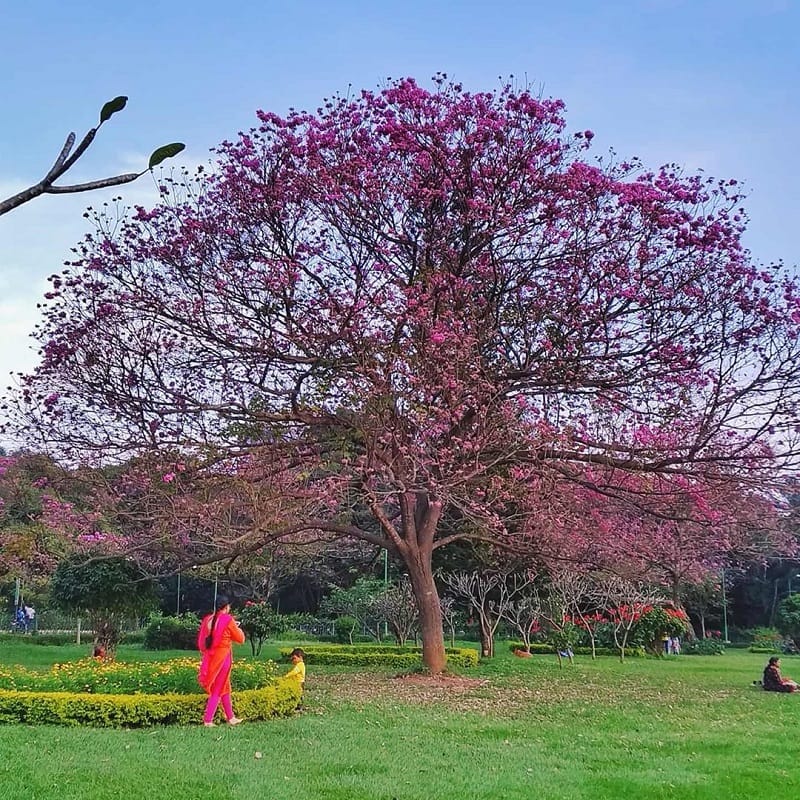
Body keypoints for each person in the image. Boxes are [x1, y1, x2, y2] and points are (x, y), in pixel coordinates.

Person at [197, 595, 246, 726]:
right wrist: (238, 628)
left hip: (211, 659)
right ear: (227, 607)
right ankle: (208, 720)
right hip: (223, 660)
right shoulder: (227, 620)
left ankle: (231, 717)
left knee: (225, 687)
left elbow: (202, 644)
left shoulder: (208, 619)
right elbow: (240, 639)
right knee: (218, 689)